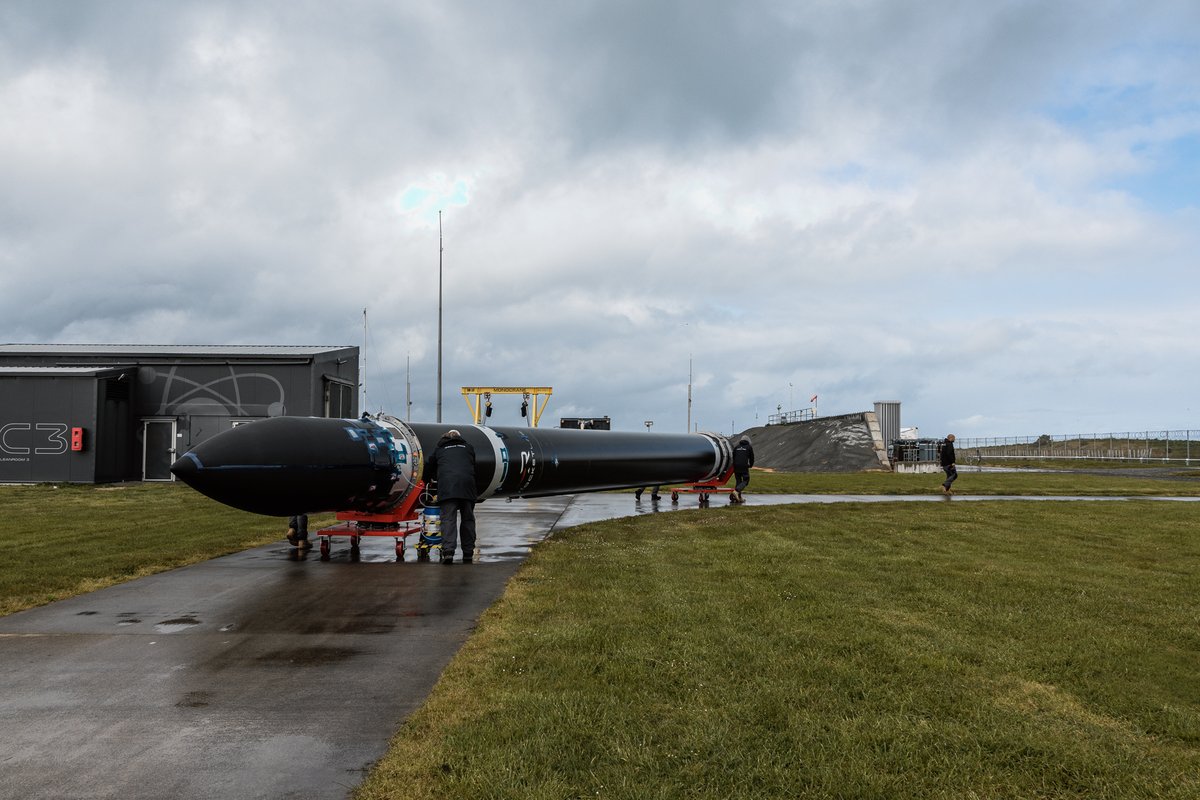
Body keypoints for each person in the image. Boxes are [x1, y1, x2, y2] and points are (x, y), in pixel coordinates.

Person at [422, 429, 478, 564]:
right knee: (468, 519)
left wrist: (428, 479)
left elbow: (429, 466)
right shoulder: (468, 448)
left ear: (445, 437)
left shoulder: (440, 449)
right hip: (467, 487)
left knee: (448, 519)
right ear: (459, 437)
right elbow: (472, 465)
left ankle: (448, 552)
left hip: (448, 488)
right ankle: (468, 553)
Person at [731, 435, 754, 503]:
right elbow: (751, 458)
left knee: (738, 481)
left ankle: (739, 497)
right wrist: (751, 465)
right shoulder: (749, 447)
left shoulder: (736, 447)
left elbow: (733, 456)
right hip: (744, 466)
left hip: (736, 466)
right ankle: (736, 491)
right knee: (746, 480)